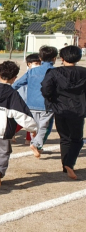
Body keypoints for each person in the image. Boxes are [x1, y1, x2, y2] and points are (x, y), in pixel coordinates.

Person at [41, 46, 86, 180]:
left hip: (60, 108)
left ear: (62, 58)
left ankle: (66, 165)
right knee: (77, 139)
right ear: (78, 58)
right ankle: (69, 164)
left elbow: (45, 88)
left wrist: (50, 98)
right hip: (78, 109)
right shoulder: (84, 72)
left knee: (65, 138)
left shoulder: (54, 72)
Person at [12, 47, 56, 157]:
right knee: (45, 127)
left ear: (40, 58)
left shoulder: (32, 71)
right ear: (55, 58)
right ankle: (35, 144)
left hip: (31, 104)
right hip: (47, 104)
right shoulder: (56, 72)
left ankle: (37, 145)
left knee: (35, 126)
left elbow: (16, 84)